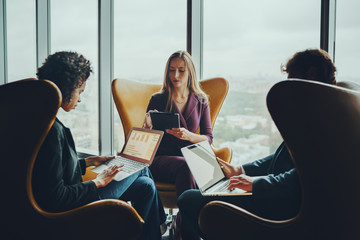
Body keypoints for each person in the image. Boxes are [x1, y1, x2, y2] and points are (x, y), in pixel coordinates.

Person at [177, 48, 337, 240]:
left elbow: (301, 180)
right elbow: (281, 158)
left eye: (292, 79)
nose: (289, 88)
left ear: (310, 74)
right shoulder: (318, 112)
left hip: (279, 204)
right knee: (195, 199)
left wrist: (254, 184)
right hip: (273, 193)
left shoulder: (325, 121)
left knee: (187, 200)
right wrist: (240, 170)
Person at [31, 51, 166, 240]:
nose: (80, 99)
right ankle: (162, 225)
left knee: (146, 185)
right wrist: (98, 182)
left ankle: (155, 232)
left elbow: (47, 174)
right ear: (68, 88)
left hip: (75, 199)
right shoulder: (52, 130)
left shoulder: (40, 121)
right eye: (80, 92)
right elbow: (55, 198)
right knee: (140, 167)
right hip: (73, 210)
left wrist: (89, 162)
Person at [143, 50, 213, 227]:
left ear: (190, 72)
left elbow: (208, 138)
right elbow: (146, 139)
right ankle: (188, 226)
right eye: (172, 70)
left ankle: (188, 222)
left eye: (181, 70)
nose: (175, 75)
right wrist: (147, 127)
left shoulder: (201, 100)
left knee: (200, 167)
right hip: (160, 159)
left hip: (189, 157)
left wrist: (189, 136)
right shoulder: (158, 99)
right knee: (187, 165)